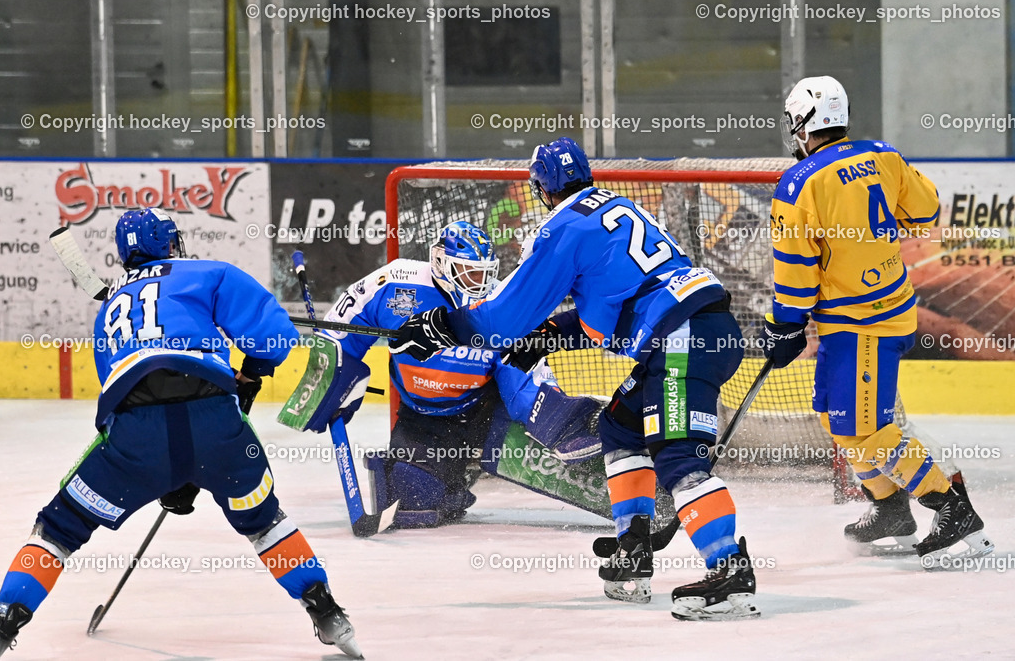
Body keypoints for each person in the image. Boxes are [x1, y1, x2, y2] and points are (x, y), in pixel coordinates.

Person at [389, 138, 759, 621]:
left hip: (681, 339)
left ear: (541, 187)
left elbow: (503, 318)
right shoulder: (616, 207)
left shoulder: (562, 227)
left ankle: (730, 572)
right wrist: (543, 339)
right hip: (691, 327)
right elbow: (606, 312)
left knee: (678, 457)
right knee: (620, 431)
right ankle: (635, 551)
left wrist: (442, 326)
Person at [0, 208, 362, 659]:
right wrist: (252, 376)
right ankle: (328, 612)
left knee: (58, 528)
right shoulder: (207, 272)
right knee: (265, 523)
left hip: (135, 439)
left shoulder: (110, 307)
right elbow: (274, 337)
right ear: (170, 244)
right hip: (217, 426)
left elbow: (127, 394)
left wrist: (168, 472)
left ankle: (3, 624)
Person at [763, 75, 993, 567]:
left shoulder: (799, 184)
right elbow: (926, 208)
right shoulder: (883, 155)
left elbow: (796, 269)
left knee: (867, 430)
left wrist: (782, 324)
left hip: (863, 324)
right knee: (834, 417)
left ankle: (949, 506)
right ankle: (890, 508)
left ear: (804, 124)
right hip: (881, 312)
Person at [289, 220, 605, 528]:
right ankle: (452, 480)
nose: (479, 282)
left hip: (486, 408)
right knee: (414, 500)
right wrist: (332, 372)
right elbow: (344, 324)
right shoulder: (397, 281)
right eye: (469, 271)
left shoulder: (499, 301)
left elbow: (526, 367)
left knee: (542, 409)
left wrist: (552, 418)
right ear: (441, 262)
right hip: (423, 418)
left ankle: (585, 436)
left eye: (484, 273)